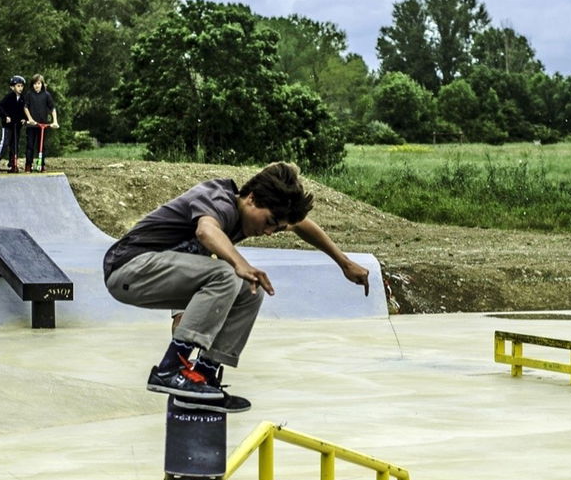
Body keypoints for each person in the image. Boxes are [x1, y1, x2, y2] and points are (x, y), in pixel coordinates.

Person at [102, 161, 370, 411]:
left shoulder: (255, 211)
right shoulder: (217, 198)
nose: (268, 232)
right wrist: (238, 262)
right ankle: (170, 370)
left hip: (157, 273)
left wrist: (343, 262)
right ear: (251, 198)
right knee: (228, 273)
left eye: (275, 230)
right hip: (129, 267)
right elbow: (206, 231)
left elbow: (301, 225)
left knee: (250, 287)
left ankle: (202, 376)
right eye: (268, 224)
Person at [0, 76, 27, 173]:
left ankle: (12, 163)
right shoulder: (9, 97)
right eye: (18, 86)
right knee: (5, 143)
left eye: (22, 86)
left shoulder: (23, 98)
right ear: (12, 87)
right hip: (8, 126)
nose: (20, 88)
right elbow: (0, 107)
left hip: (17, 126)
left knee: (15, 145)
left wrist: (24, 119)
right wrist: (5, 116)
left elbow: (24, 111)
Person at [24, 75, 59, 172]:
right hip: (32, 125)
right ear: (32, 85)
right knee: (30, 145)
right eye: (35, 84)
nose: (37, 86)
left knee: (41, 146)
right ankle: (28, 165)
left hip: (42, 126)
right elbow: (25, 107)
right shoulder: (29, 94)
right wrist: (30, 119)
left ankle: (41, 164)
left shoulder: (46, 95)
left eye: (38, 83)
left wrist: (54, 121)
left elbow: (52, 108)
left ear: (42, 84)